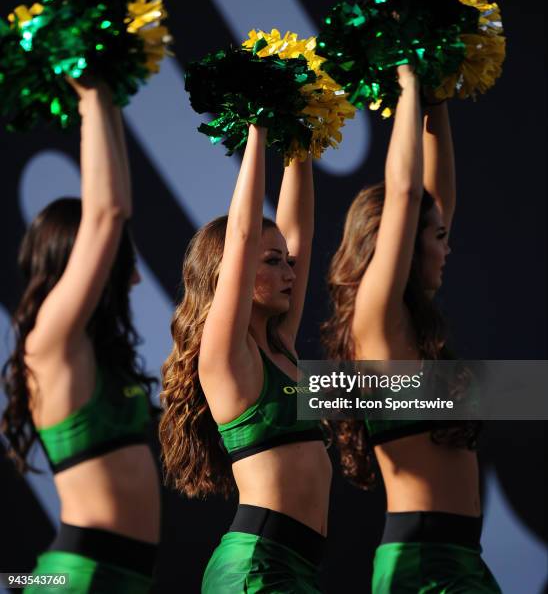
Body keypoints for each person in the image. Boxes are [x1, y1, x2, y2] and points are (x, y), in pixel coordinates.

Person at [323, 65, 501, 592]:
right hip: (424, 566)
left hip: (459, 559)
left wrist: (437, 93)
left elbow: (430, 200)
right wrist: (406, 76)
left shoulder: (406, 316)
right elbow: (404, 195)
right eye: (437, 238)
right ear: (393, 241)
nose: (448, 248)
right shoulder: (376, 321)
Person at [2, 78, 160, 593]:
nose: (134, 278)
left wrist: (107, 92)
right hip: (79, 575)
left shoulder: (95, 356)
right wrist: (95, 93)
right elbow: (109, 213)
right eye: (123, 263)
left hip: (120, 575)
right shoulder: (51, 342)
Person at [160, 125, 331, 593]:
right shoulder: (226, 357)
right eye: (272, 262)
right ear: (232, 273)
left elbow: (302, 233)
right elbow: (239, 236)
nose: (289, 272)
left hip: (296, 566)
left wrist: (303, 132)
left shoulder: (282, 347)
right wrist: (258, 123)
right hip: (256, 568)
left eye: (288, 263)